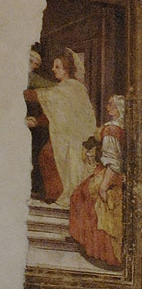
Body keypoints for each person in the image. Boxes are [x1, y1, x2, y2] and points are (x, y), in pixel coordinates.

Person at [68, 93, 124, 267]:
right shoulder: (116, 127)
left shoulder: (112, 130)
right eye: (108, 104)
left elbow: (113, 161)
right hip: (110, 172)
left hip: (110, 174)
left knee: (83, 197)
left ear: (119, 109)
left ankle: (99, 251)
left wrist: (103, 186)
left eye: (111, 105)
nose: (108, 107)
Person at [35, 49, 98, 203]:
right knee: (46, 155)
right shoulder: (64, 87)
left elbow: (45, 97)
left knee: (48, 155)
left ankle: (57, 195)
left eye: (57, 67)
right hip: (65, 134)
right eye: (53, 66)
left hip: (75, 136)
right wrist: (37, 121)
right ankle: (54, 194)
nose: (53, 69)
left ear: (67, 69)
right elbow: (57, 113)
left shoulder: (71, 87)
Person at [24, 45, 60, 202]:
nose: (33, 65)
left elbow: (54, 89)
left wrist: (33, 119)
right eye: (30, 61)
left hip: (30, 124)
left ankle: (34, 188)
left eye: (36, 64)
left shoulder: (34, 79)